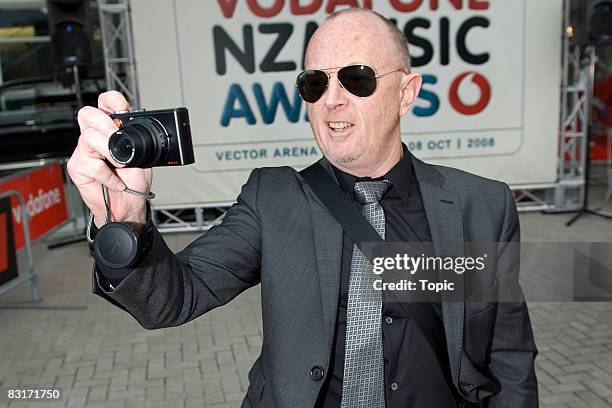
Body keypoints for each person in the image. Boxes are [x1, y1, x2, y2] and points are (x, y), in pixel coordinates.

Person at [67, 8, 538, 408]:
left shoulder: (480, 204)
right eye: (315, 83)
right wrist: (125, 219)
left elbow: (509, 355)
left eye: (356, 79)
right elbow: (173, 299)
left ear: (406, 93)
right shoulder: (272, 199)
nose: (332, 100)